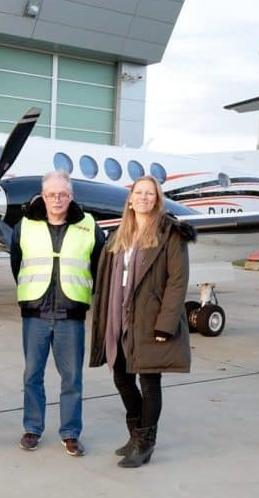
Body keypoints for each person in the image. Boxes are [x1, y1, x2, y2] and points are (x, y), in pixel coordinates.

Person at [90, 175, 194, 468]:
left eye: (151, 193)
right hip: (119, 317)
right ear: (131, 199)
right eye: (139, 192)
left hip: (150, 320)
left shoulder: (170, 234)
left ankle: (145, 443)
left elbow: (177, 281)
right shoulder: (119, 234)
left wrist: (166, 323)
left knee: (149, 381)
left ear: (157, 199)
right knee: (121, 377)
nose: (145, 198)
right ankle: (135, 434)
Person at [10, 170, 105, 457]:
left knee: (72, 378)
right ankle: (32, 428)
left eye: (63, 194)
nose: (57, 199)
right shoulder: (24, 225)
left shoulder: (89, 225)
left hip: (71, 314)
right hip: (35, 313)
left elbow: (99, 264)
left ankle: (70, 432)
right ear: (43, 195)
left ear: (71, 196)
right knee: (32, 376)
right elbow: (17, 262)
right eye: (51, 194)